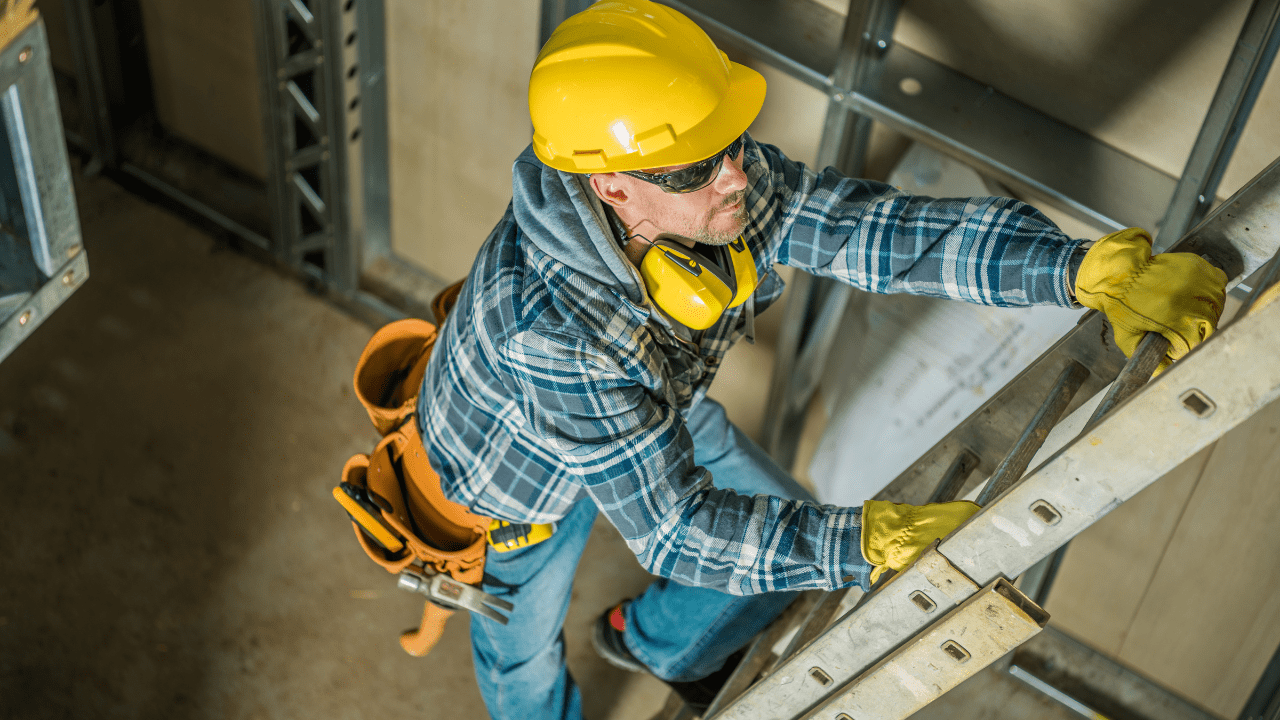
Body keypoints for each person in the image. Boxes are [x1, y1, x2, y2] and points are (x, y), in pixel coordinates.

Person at [415, 2, 1227, 718]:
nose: (735, 173)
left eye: (728, 141)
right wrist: (858, 544)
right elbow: (675, 530)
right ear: (609, 187)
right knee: (522, 660)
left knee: (771, 521)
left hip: (640, 403)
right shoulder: (554, 331)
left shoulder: (717, 188)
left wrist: (1073, 272)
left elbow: (874, 231)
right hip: (511, 484)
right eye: (697, 165)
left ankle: (652, 644)